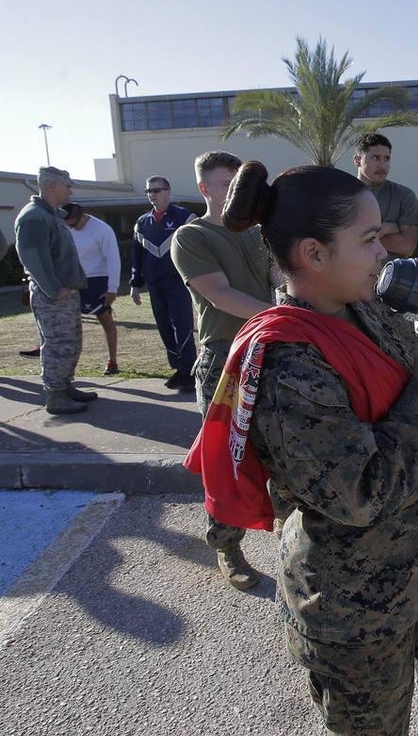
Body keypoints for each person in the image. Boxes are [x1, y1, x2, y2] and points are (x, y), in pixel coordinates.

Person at [186, 161, 418, 736]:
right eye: (367, 239)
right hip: (356, 607)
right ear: (313, 252)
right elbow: (358, 495)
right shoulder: (288, 361)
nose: (382, 253)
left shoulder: (366, 310)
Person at [171, 151, 279, 591]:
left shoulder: (259, 234)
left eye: (240, 184)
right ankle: (226, 545)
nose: (237, 193)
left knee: (286, 451)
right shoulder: (190, 236)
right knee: (227, 460)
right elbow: (220, 295)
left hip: (273, 353)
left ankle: (299, 542)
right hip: (225, 361)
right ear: (204, 189)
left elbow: (279, 274)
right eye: (225, 185)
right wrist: (283, 316)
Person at [13, 167, 94, 414]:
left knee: (70, 343)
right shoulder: (34, 217)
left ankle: (64, 387)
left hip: (64, 293)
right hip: (54, 296)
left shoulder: (50, 215)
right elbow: (32, 257)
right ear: (52, 187)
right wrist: (54, 289)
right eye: (67, 186)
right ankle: (56, 395)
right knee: (58, 344)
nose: (70, 190)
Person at [354, 132, 418, 353]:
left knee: (406, 359)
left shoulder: (403, 196)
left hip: (398, 295)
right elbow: (341, 242)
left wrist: (368, 235)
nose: (382, 164)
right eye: (375, 157)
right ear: (358, 160)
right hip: (354, 293)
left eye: (386, 158)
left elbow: (406, 246)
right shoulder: (342, 195)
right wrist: (386, 229)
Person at [129, 176, 197, 392]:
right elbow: (137, 255)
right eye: (149, 191)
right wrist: (135, 283)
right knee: (164, 327)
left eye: (157, 190)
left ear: (168, 191)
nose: (153, 195)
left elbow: (198, 249)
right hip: (155, 284)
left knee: (183, 325)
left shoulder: (185, 217)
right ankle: (178, 368)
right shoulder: (142, 223)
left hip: (178, 282)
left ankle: (189, 371)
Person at [62, 202, 121, 375]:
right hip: (73, 279)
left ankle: (112, 361)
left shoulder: (102, 229)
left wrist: (112, 288)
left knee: (105, 319)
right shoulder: (64, 227)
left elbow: (113, 259)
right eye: (67, 225)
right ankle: (67, 366)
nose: (70, 227)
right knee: (69, 323)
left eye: (73, 224)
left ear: (82, 217)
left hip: (97, 279)